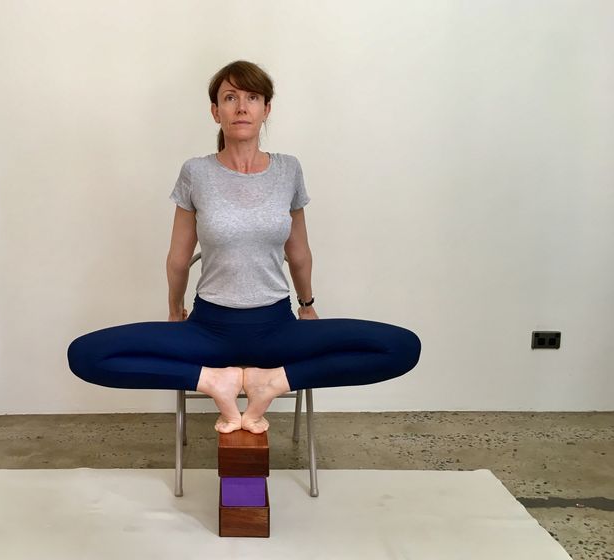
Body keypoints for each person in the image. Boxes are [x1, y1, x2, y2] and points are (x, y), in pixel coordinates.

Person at [67, 60, 421, 434]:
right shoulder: (196, 172)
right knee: (86, 355)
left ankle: (273, 382)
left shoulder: (288, 170)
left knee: (402, 347)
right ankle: (212, 381)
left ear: (266, 109)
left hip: (277, 329)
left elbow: (298, 251)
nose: (241, 107)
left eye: (252, 97)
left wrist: (308, 305)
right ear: (215, 111)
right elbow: (178, 257)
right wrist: (175, 312)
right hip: (208, 331)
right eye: (230, 97)